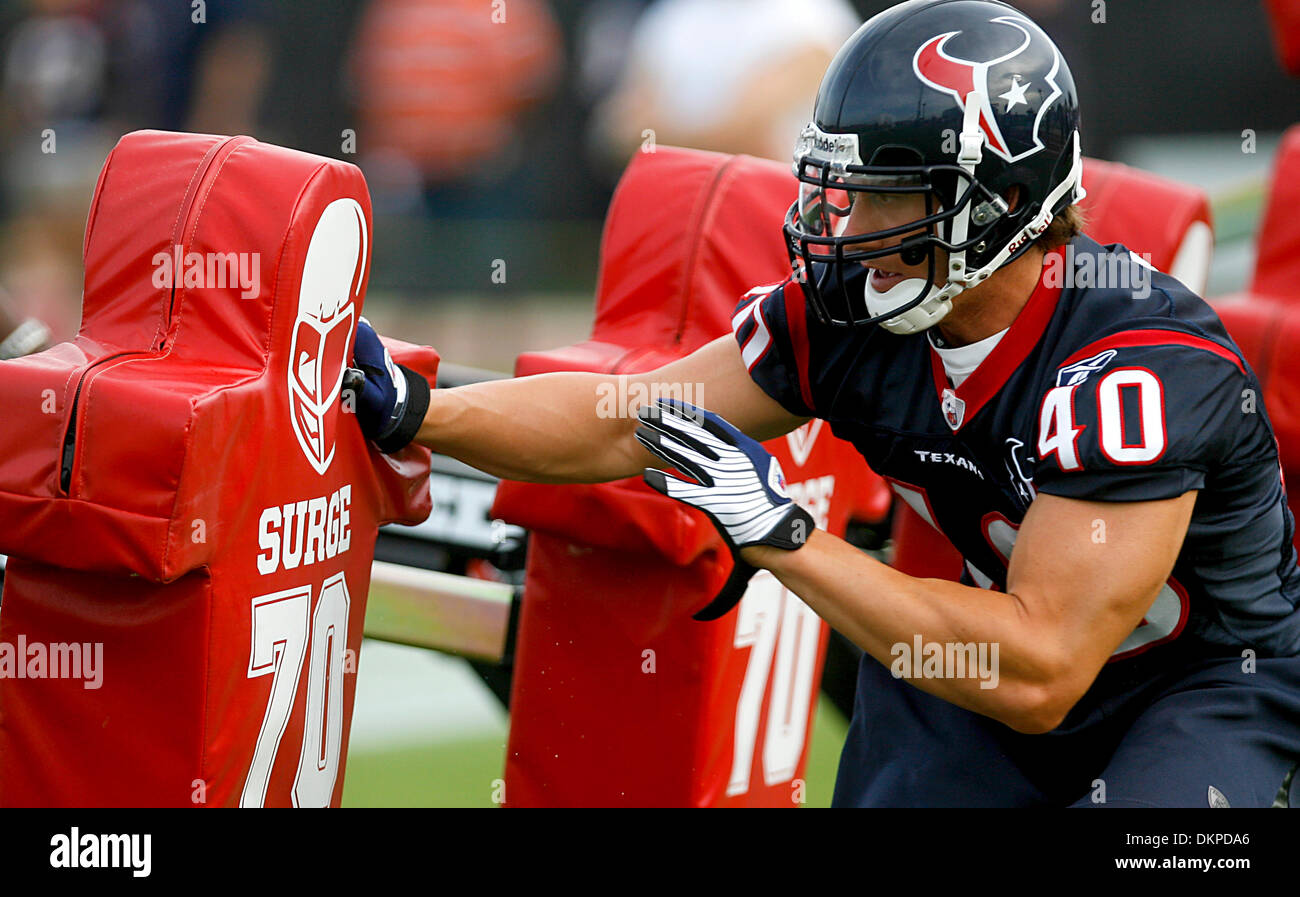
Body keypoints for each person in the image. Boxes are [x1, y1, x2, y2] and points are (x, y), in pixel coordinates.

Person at [349, 0, 1300, 807]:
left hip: (1203, 679)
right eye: (842, 183)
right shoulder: (867, 311)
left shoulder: (1138, 368)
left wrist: (785, 536)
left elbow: (1042, 667)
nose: (847, 222)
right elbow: (626, 415)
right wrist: (421, 409)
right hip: (992, 642)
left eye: (888, 192)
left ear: (1001, 203)